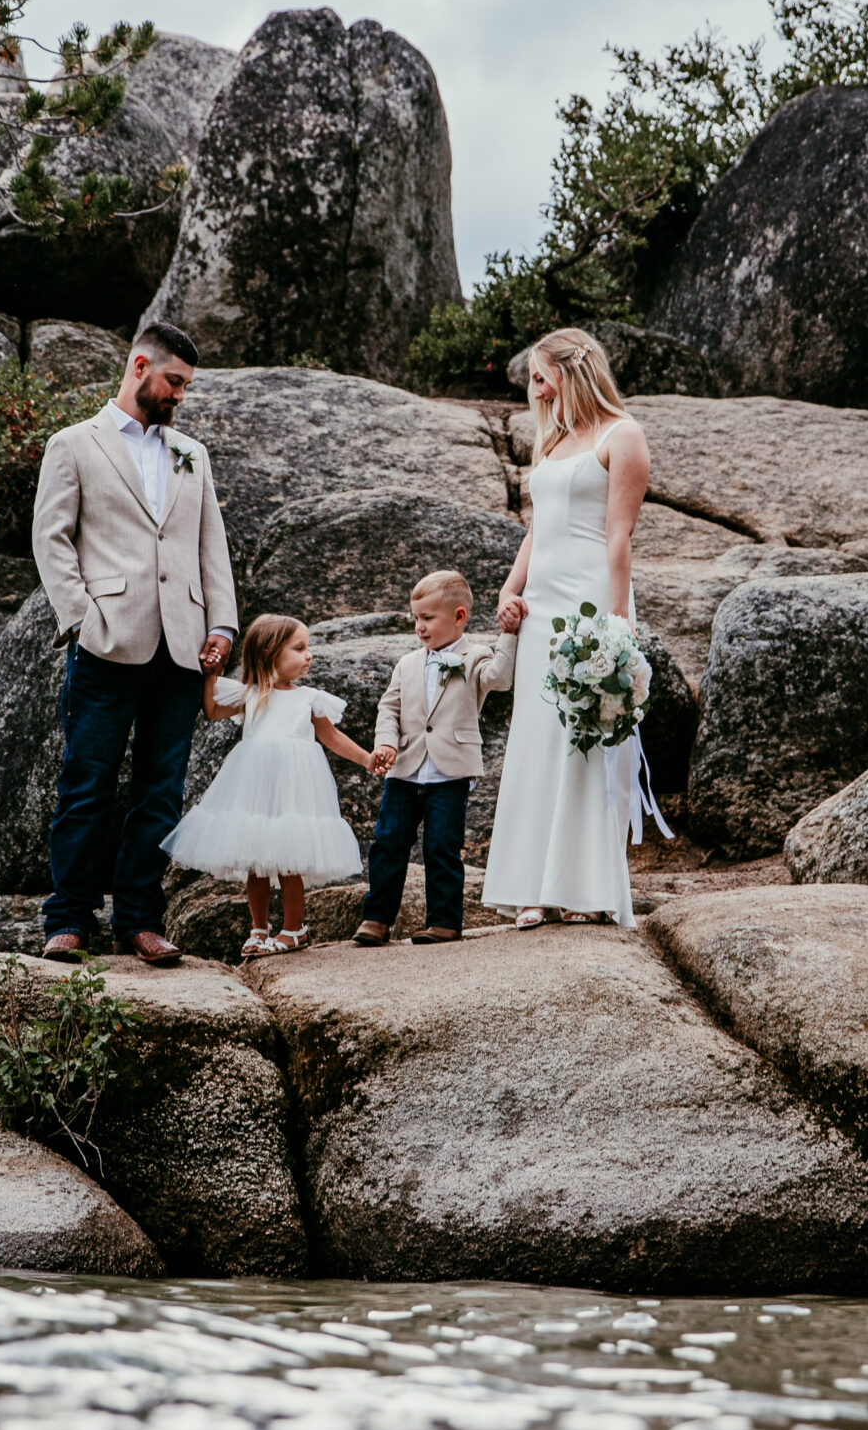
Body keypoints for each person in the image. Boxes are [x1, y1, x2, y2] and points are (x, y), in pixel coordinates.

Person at [31, 319, 237, 968]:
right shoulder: (73, 444)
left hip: (181, 647)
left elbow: (211, 546)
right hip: (106, 643)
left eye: (186, 386)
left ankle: (140, 920)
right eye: (174, 381)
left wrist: (222, 626)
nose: (179, 395)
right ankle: (68, 918)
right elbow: (51, 537)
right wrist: (81, 618)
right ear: (141, 365)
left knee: (161, 789)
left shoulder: (191, 454)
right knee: (86, 783)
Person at [482, 326, 670, 930]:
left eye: (541, 376)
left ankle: (586, 887)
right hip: (541, 605)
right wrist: (512, 589)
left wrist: (617, 626)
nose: (534, 390)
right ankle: (533, 887)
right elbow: (538, 528)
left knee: (586, 742)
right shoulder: (555, 439)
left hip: (591, 603)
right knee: (537, 739)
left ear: (573, 370)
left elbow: (619, 536)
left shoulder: (624, 435)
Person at [162, 614, 390, 957]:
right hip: (255, 783)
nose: (308, 655)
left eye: (307, 648)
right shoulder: (250, 694)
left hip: (295, 785)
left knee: (289, 857)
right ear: (270, 653)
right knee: (256, 859)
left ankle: (294, 928)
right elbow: (211, 710)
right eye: (299, 648)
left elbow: (331, 737)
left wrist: (366, 758)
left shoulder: (308, 698)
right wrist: (211, 676)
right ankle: (258, 928)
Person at [352, 570, 516, 946]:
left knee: (441, 846)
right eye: (416, 619)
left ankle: (444, 921)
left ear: (459, 616)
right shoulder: (407, 663)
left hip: (450, 773)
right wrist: (385, 742)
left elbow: (501, 678)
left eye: (428, 618)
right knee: (387, 842)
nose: (419, 627)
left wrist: (508, 633)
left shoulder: (476, 656)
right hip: (405, 770)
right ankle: (376, 918)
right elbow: (387, 708)